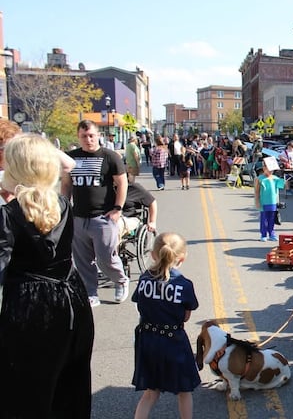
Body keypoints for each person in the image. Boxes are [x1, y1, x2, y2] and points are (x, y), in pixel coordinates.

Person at [0, 133, 95, 418]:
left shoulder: (8, 215)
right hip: (72, 302)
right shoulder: (63, 205)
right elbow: (70, 166)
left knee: (27, 393)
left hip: (29, 309)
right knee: (71, 387)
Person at [61, 119, 130, 308]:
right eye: (84, 136)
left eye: (91, 135)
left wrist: (117, 208)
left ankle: (121, 280)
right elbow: (66, 184)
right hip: (79, 216)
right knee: (83, 260)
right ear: (78, 136)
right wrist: (64, 207)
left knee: (106, 257)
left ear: (98, 135)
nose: (88, 139)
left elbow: (122, 183)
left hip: (103, 217)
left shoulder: (110, 157)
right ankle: (91, 292)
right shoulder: (71, 158)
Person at [131, 232, 200, 419]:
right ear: (182, 258)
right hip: (173, 341)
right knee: (184, 391)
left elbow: (139, 304)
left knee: (150, 393)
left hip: (148, 340)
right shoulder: (183, 285)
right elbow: (185, 316)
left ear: (153, 255)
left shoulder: (144, 279)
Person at [253, 157, 285, 242]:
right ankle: (263, 234)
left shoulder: (275, 178)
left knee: (272, 219)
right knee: (264, 219)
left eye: (272, 170)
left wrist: (286, 181)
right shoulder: (259, 179)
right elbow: (256, 192)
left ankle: (271, 234)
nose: (271, 171)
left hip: (273, 202)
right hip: (264, 202)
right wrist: (257, 201)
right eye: (268, 169)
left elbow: (282, 187)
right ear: (264, 168)